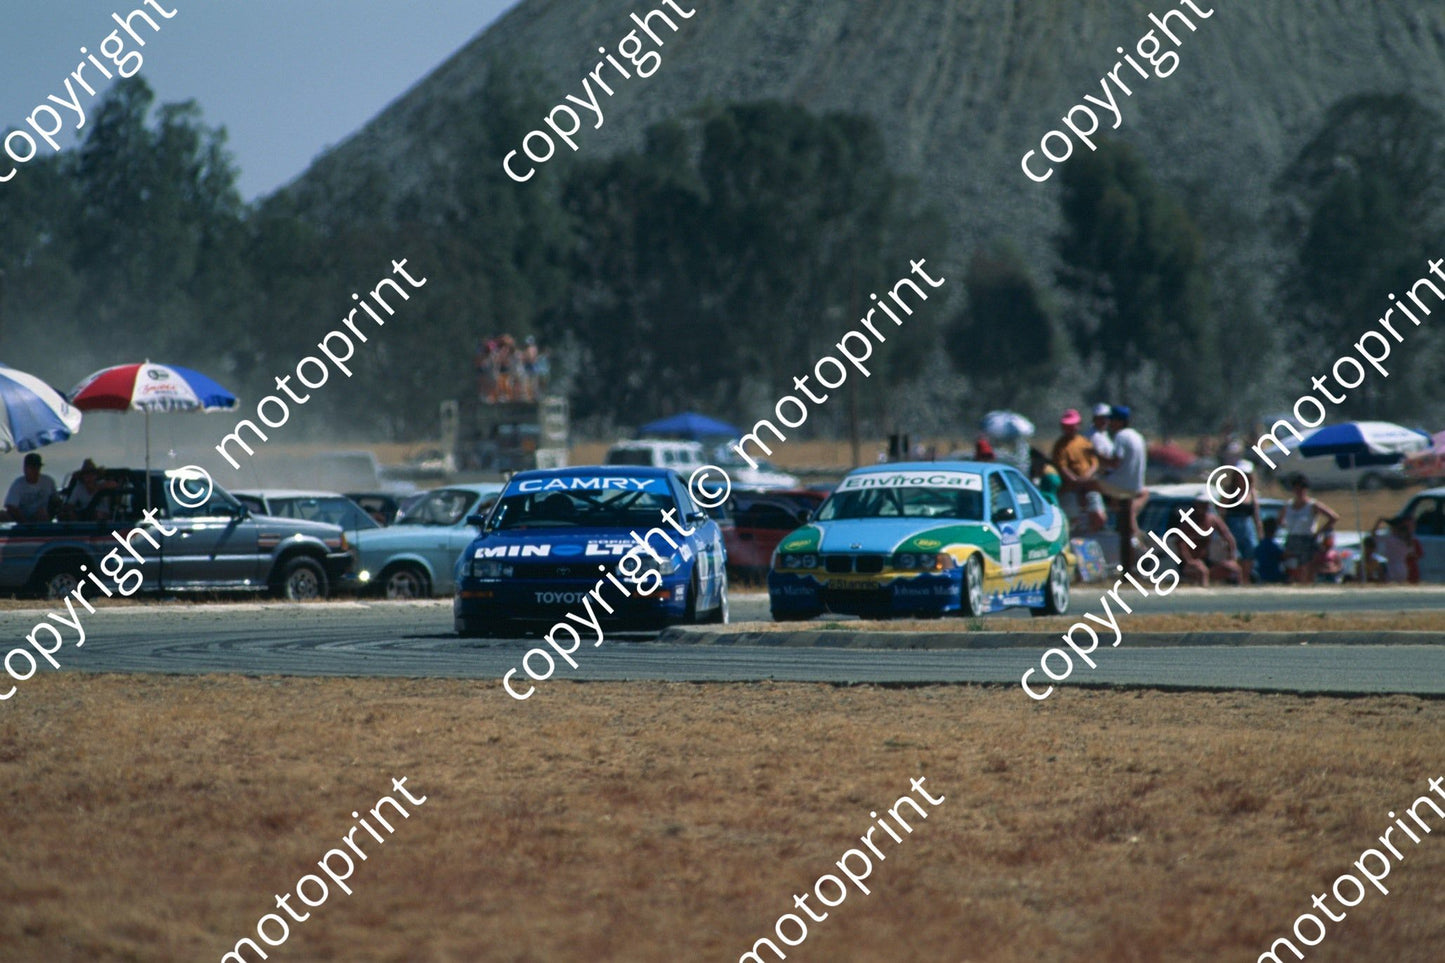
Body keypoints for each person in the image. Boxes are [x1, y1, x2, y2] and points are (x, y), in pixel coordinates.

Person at [1095, 406, 1149, 574]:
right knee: (1128, 516)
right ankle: (1137, 541)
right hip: (1135, 486)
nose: (1110, 423)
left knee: (1087, 485)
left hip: (1120, 485)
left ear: (1119, 421)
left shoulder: (1120, 436)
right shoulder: (1137, 436)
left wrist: (1095, 455)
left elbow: (1115, 462)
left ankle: (1097, 513)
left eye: (1112, 420)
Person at [1281, 475, 1339, 584]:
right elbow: (1280, 520)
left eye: (1301, 489)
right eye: (1296, 489)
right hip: (1292, 538)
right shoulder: (1288, 505)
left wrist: (1319, 531)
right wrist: (1287, 526)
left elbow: (1333, 517)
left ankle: (1307, 585)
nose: (1299, 492)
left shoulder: (1312, 505)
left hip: (1307, 538)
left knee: (1306, 567)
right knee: (1292, 567)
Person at [1050, 409, 1097, 518]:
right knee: (1072, 516)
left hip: (1088, 486)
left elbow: (1094, 463)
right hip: (1070, 488)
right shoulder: (1060, 446)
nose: (1070, 429)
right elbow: (1062, 467)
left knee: (1098, 515)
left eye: (1073, 425)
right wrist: (1075, 480)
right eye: (1067, 426)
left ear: (1078, 425)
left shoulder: (1085, 442)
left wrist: (1087, 477)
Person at [1223, 462, 1263, 583]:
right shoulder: (1229, 491)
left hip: (1248, 526)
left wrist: (1260, 532)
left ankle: (1246, 579)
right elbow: (1222, 512)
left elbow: (1256, 514)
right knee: (1235, 553)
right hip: (1233, 525)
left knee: (1249, 553)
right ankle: (1237, 579)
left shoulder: (1252, 492)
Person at [5, 452, 58, 523]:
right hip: (22, 518)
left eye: (37, 467)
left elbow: (56, 500)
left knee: (42, 513)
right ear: (25, 468)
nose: (35, 470)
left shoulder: (48, 481)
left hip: (41, 516)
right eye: (32, 467)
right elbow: (11, 506)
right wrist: (25, 522)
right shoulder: (18, 484)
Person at [1254, 517, 1285, 584]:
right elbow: (1283, 556)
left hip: (1262, 575)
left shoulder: (1260, 545)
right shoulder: (1273, 545)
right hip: (1274, 576)